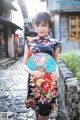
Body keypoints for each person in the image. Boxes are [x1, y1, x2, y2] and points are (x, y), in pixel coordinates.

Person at [22, 12, 61, 120]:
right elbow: (24, 64)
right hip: (34, 81)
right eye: (37, 25)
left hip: (48, 84)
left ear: (49, 25)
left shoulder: (55, 43)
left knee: (44, 113)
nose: (40, 28)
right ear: (34, 25)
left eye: (43, 25)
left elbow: (55, 63)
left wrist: (56, 72)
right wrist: (32, 72)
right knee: (37, 111)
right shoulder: (29, 42)